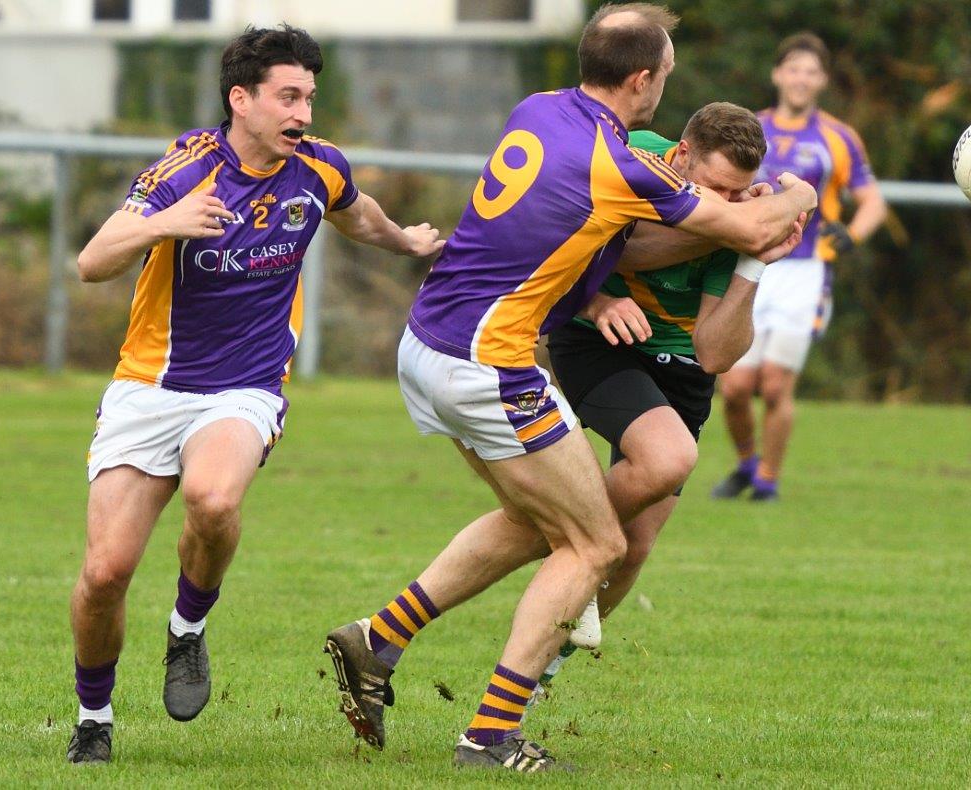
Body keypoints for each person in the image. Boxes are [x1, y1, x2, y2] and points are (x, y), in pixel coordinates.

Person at [322, 3, 815, 772]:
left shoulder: (540, 108)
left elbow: (564, 230)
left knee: (541, 522)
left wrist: (596, 283)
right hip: (489, 361)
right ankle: (489, 736)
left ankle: (378, 640)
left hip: (426, 341)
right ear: (644, 82)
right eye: (669, 70)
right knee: (594, 544)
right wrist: (797, 197)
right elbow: (747, 231)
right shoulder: (620, 162)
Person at [66, 24, 444, 764]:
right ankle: (94, 717)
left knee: (213, 499)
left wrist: (401, 240)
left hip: (244, 386)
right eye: (288, 96)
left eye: (309, 96)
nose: (303, 112)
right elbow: (91, 261)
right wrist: (164, 224)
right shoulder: (187, 170)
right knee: (105, 573)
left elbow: (354, 210)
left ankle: (187, 628)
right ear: (241, 99)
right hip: (149, 386)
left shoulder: (318, 168)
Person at [539, 101, 773, 686]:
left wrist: (752, 260)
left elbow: (716, 354)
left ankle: (539, 671)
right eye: (715, 187)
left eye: (739, 193)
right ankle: (574, 543)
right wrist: (594, 300)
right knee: (651, 482)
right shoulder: (632, 150)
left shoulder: (741, 218)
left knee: (634, 548)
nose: (728, 203)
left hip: (681, 363)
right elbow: (605, 241)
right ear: (682, 154)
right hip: (595, 337)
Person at [711, 31, 887, 502]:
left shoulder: (838, 137)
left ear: (823, 80)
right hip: (748, 265)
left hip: (805, 271)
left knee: (774, 386)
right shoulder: (750, 127)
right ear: (777, 74)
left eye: (811, 71)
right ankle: (747, 463)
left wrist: (851, 233)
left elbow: (872, 202)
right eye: (793, 68)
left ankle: (768, 480)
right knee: (733, 388)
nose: (801, 78)